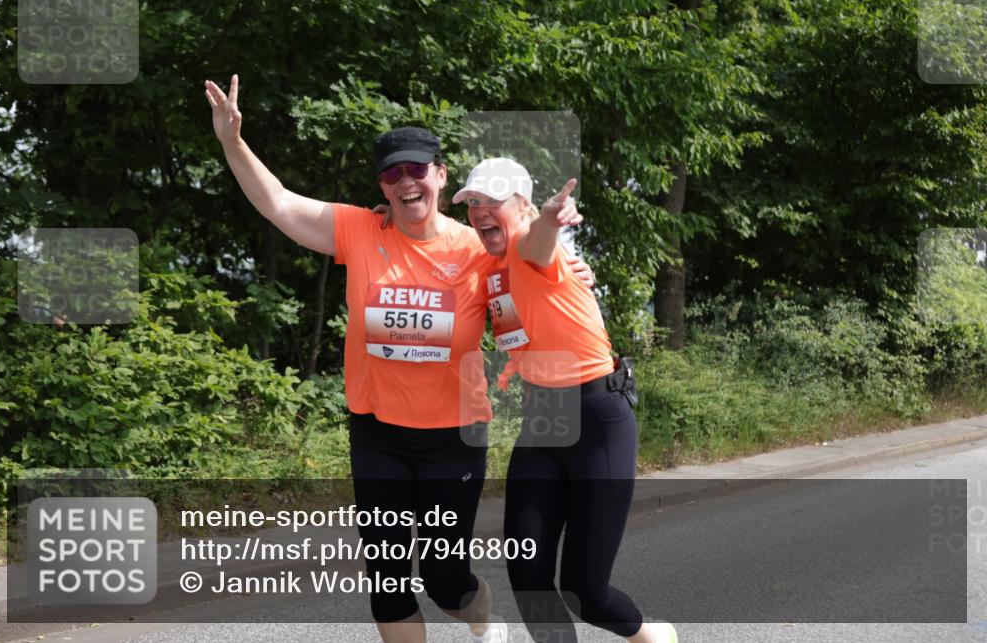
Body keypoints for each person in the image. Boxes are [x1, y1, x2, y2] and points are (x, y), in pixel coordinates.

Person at [204, 75, 506, 643]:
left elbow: (535, 284)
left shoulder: (478, 251)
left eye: (416, 169)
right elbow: (278, 204)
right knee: (387, 579)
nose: (406, 181)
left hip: (454, 438)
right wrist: (232, 141)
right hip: (378, 434)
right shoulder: (360, 230)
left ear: (441, 175)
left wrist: (571, 269)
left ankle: (479, 612)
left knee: (444, 581)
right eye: (392, 174)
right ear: (383, 187)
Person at [452, 158, 679, 643]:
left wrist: (550, 220)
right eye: (472, 202)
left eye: (493, 201)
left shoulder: (529, 247)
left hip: (597, 418)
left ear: (523, 207)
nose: (480, 210)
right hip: (543, 420)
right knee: (527, 574)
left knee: (585, 593)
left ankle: (653, 637)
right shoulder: (490, 264)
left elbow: (537, 242)